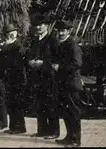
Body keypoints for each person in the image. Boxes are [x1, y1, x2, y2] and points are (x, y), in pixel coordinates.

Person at [51, 20, 83, 148]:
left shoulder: (73, 45)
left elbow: (77, 63)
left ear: (68, 31)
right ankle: (69, 137)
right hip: (63, 83)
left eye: (63, 31)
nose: (60, 33)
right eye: (58, 30)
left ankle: (76, 140)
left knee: (74, 112)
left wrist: (60, 67)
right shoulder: (62, 44)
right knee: (66, 111)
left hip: (71, 84)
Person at [27, 15, 60, 139]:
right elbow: (29, 55)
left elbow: (57, 58)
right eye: (37, 25)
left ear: (47, 26)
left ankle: (54, 131)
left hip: (49, 77)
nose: (38, 27)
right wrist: (30, 61)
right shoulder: (35, 40)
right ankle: (42, 130)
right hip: (37, 77)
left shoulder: (53, 40)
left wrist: (43, 63)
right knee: (40, 104)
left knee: (51, 104)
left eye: (41, 25)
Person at [1, 24, 27, 134]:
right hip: (10, 78)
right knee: (11, 103)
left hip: (18, 78)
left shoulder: (18, 45)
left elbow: (16, 62)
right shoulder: (8, 45)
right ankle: (13, 127)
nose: (10, 34)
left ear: (15, 33)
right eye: (8, 33)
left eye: (12, 32)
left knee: (17, 103)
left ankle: (19, 127)